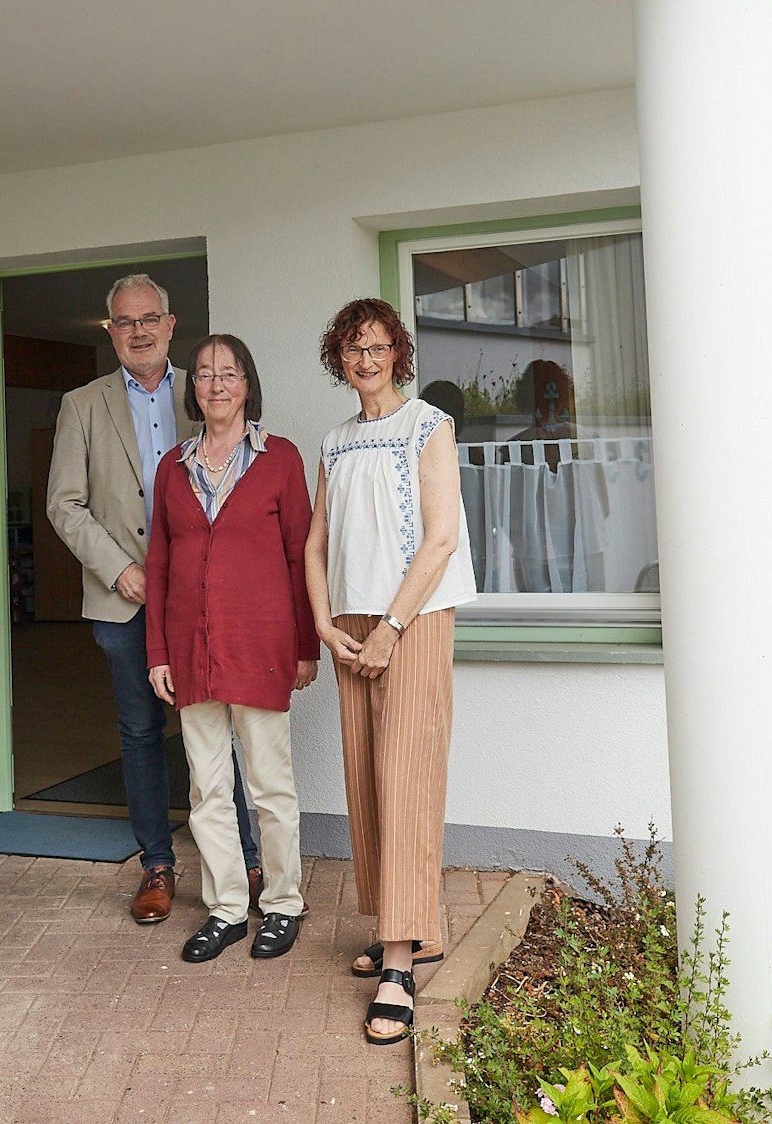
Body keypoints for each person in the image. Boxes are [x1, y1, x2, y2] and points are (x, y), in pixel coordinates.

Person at [47, 274, 261, 924]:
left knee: (221, 731)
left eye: (148, 319)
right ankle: (158, 867)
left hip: (202, 597)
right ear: (110, 333)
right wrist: (118, 570)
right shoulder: (81, 403)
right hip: (124, 600)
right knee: (141, 733)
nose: (137, 330)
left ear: (170, 325)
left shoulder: (202, 388)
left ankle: (247, 860)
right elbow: (64, 502)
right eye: (123, 322)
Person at [304, 297, 478, 1046]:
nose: (365, 359)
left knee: (406, 781)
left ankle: (400, 967)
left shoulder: (427, 426)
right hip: (347, 625)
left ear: (397, 353)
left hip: (410, 621)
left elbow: (438, 541)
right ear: (337, 358)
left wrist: (391, 628)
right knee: (368, 784)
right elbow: (314, 546)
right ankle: (404, 927)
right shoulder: (336, 440)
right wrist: (321, 623)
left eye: (377, 347)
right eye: (352, 348)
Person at [144, 335, 317, 962]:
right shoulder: (173, 466)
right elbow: (159, 563)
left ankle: (282, 904)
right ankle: (225, 908)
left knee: (271, 787)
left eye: (229, 373)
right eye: (205, 374)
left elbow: (302, 557)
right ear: (193, 389)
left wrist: (306, 645)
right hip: (192, 649)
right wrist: (157, 651)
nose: (216, 384)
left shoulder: (279, 459)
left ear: (248, 384)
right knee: (206, 788)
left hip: (261, 645)